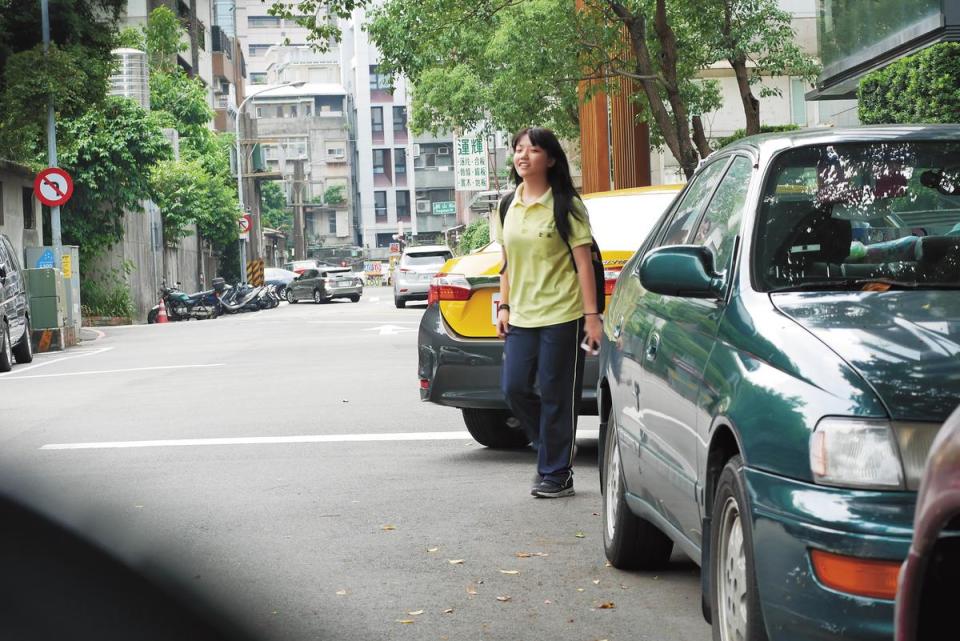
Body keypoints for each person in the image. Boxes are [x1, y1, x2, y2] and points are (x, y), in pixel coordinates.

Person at [492, 127, 602, 499]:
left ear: (551, 159)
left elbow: (583, 264)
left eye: (533, 150)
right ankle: (553, 446)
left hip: (563, 313)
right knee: (515, 388)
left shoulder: (566, 205)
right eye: (518, 149)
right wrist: (504, 305)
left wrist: (592, 317)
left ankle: (556, 473)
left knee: (557, 395)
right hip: (522, 314)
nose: (522, 156)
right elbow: (506, 262)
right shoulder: (508, 204)